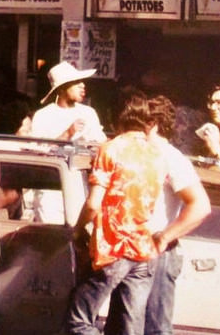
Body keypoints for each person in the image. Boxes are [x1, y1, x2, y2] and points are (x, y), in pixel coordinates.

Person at [105, 95, 211, 335]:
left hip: (157, 251)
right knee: (123, 326)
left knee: (154, 327)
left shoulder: (170, 157)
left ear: (152, 124)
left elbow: (200, 205)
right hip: (132, 247)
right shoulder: (138, 154)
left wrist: (164, 237)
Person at [67, 94, 167, 335]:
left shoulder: (110, 149)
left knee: (78, 321)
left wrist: (78, 230)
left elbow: (93, 204)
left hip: (113, 246)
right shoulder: (157, 155)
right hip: (144, 249)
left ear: (116, 117)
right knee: (130, 329)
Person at [30, 62, 105, 143]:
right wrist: (68, 133)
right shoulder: (43, 115)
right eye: (76, 82)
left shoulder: (89, 113)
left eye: (81, 81)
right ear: (61, 89)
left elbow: (100, 143)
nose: (82, 85)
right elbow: (36, 148)